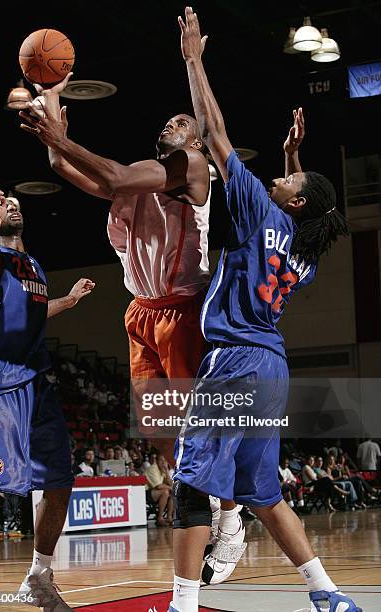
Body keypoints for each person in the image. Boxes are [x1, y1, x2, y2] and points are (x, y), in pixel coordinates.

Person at [168, 8, 361, 612]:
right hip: (271, 366)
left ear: (296, 200)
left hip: (234, 361)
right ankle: (326, 593)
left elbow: (215, 131)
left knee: (191, 482)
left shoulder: (263, 211)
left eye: (290, 179)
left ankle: (180, 605)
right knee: (264, 493)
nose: (280, 181)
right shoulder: (303, 248)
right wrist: (290, 157)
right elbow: (288, 216)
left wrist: (194, 59)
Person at [20, 76, 245, 554]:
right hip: (141, 311)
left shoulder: (194, 166)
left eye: (182, 122)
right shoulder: (141, 179)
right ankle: (199, 499)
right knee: (158, 429)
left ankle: (230, 516)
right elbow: (61, 163)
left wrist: (62, 137)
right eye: (168, 120)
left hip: (184, 309)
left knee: (198, 427)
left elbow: (116, 175)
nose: (171, 123)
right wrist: (51, 90)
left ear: (197, 140)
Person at [0, 188, 95, 611]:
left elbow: (33, 313)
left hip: (38, 381)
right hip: (1, 378)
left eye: (17, 205)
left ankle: (38, 579)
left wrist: (70, 300)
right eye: (5, 205)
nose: (14, 208)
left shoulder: (34, 264)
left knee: (60, 480)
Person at [145, 454, 174, 526]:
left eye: (165, 461)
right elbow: (158, 486)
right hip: (145, 493)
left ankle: (169, 517)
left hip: (156, 492)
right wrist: (171, 488)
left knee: (172, 493)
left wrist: (167, 472)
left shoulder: (163, 469)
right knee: (165, 492)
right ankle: (160, 518)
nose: (163, 463)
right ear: (157, 461)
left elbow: (170, 484)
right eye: (161, 460)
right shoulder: (153, 469)